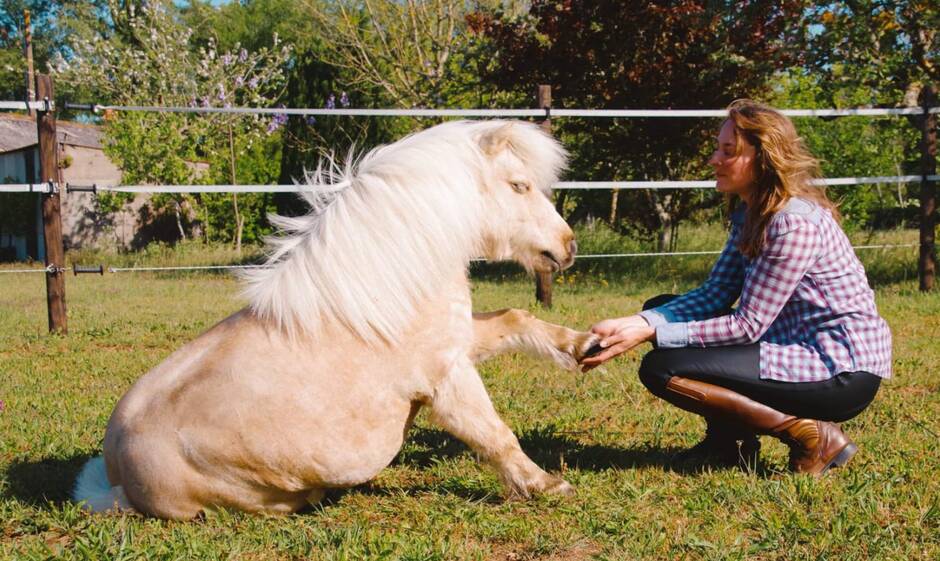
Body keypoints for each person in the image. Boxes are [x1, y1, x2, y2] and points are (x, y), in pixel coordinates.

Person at [580, 99, 892, 475]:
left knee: (662, 367)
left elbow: (748, 326)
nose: (714, 159)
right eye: (718, 148)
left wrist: (652, 333)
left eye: (729, 151)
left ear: (764, 158)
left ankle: (810, 435)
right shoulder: (751, 211)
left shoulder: (791, 224)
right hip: (792, 345)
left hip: (836, 369)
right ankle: (729, 445)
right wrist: (638, 320)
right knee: (661, 304)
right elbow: (716, 293)